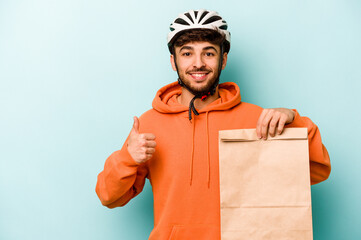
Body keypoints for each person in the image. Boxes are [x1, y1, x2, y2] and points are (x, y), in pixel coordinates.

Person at [96, 9, 331, 239]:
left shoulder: (256, 120)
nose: (198, 63)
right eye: (187, 53)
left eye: (208, 53)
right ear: (173, 61)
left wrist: (293, 118)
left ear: (223, 59)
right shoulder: (149, 125)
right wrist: (128, 158)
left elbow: (317, 169)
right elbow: (109, 196)